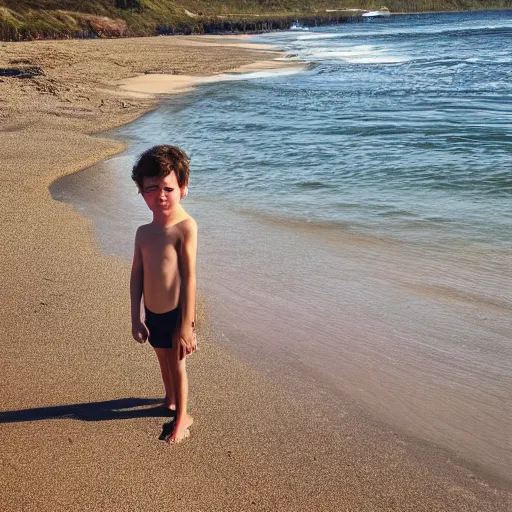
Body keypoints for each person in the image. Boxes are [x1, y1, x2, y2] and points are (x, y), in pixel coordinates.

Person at [130, 144, 198, 444]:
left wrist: (186, 324)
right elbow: (137, 275)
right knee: (161, 358)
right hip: (153, 313)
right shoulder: (143, 232)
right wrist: (136, 316)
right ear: (141, 190)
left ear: (183, 188)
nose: (160, 195)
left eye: (168, 188)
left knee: (178, 364)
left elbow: (190, 278)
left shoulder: (184, 227)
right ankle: (170, 400)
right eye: (151, 189)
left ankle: (183, 415)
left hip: (176, 313)